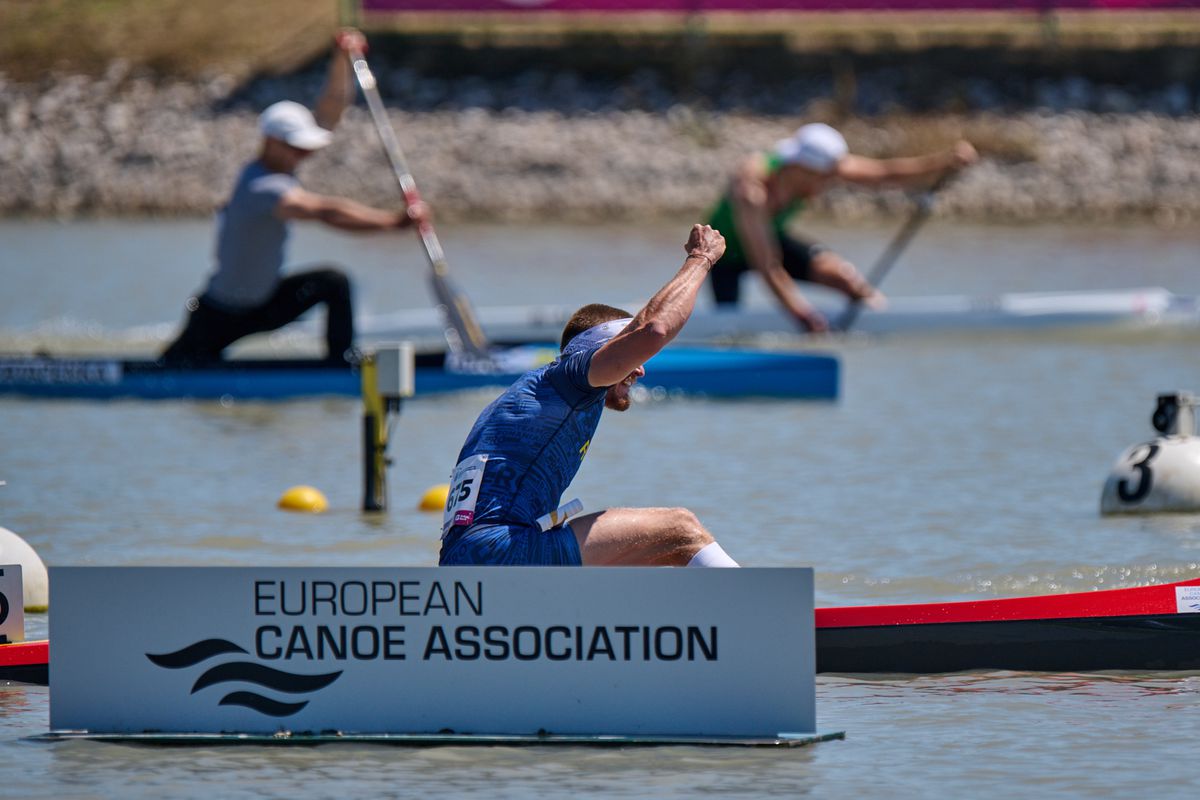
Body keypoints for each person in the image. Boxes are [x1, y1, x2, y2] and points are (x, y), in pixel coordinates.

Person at [439, 224, 740, 568]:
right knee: (681, 528)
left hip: (468, 561)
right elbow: (653, 329)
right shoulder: (570, 376)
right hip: (502, 552)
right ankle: (767, 612)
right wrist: (700, 259)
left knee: (648, 552)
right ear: (595, 351)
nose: (639, 369)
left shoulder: (538, 391)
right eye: (632, 358)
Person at [162, 28, 427, 365]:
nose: (304, 155)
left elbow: (331, 108)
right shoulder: (261, 187)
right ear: (272, 142)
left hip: (267, 302)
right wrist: (392, 222)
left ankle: (338, 365)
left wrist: (342, 57)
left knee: (333, 282)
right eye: (297, 149)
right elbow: (324, 212)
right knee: (173, 368)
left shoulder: (283, 162)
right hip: (220, 313)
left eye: (306, 148)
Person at [706, 122, 978, 333]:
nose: (828, 184)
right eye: (825, 179)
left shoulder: (812, 162)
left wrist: (944, 162)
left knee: (846, 279)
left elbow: (885, 173)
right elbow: (768, 267)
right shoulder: (754, 192)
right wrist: (805, 316)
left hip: (770, 239)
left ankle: (880, 316)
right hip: (723, 254)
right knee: (728, 328)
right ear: (805, 169)